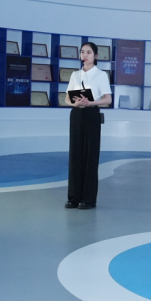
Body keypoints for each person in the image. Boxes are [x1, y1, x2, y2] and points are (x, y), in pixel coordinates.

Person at [64, 42, 112, 209]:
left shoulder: (101, 75)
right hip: (76, 114)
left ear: (95, 56)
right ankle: (73, 197)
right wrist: (75, 103)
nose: (85, 55)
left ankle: (88, 199)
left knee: (90, 155)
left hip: (92, 114)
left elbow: (107, 99)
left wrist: (90, 102)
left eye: (89, 52)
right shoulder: (75, 75)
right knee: (75, 154)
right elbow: (67, 98)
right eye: (82, 52)